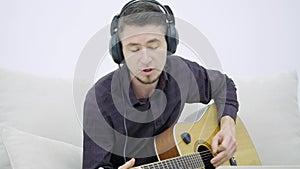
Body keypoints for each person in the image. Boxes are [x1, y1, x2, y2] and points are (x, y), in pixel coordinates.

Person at [83, 0, 239, 168]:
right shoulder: (98, 100)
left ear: (169, 44)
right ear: (119, 51)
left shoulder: (181, 72)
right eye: (134, 49)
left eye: (154, 46)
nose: (145, 59)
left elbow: (224, 86)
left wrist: (228, 126)